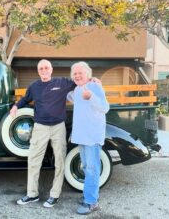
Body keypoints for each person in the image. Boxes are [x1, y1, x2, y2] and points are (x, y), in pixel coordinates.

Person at [11, 59, 76, 208]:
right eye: (41, 68)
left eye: (46, 68)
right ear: (38, 71)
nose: (44, 70)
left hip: (58, 127)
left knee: (60, 161)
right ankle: (32, 194)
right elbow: (25, 99)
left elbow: (79, 80)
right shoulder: (34, 86)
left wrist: (92, 80)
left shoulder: (62, 82)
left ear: (51, 69)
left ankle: (54, 195)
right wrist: (15, 106)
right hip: (40, 127)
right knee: (33, 161)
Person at [66, 61, 109, 215]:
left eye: (80, 73)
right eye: (75, 74)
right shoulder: (76, 90)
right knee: (86, 167)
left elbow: (105, 107)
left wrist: (91, 96)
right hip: (82, 137)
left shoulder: (94, 87)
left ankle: (91, 202)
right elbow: (68, 96)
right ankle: (89, 195)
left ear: (88, 74)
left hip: (92, 137)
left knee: (92, 169)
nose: (77, 75)